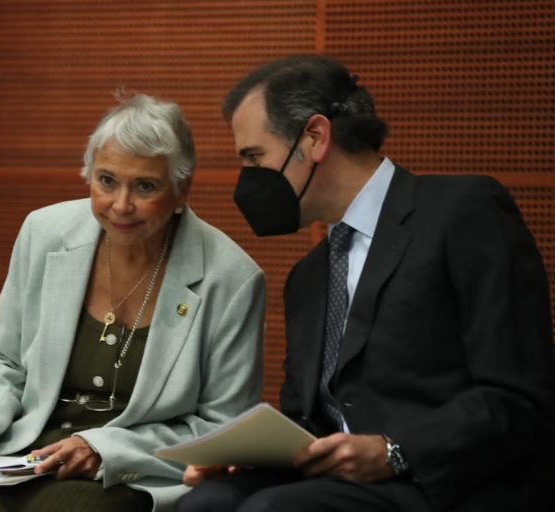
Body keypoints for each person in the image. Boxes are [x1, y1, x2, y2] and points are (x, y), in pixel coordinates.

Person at [177, 55, 555, 512]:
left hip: (448, 483)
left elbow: (516, 395)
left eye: (255, 157)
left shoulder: (462, 211)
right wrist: (244, 458)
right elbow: (308, 423)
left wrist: (397, 451)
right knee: (205, 502)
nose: (249, 179)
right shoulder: (308, 277)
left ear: (315, 138)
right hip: (338, 485)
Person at [0, 93, 266, 512]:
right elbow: (5, 364)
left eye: (145, 186)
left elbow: (222, 428)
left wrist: (104, 448)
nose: (121, 205)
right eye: (107, 181)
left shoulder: (231, 278)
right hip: (27, 448)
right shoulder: (44, 232)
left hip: (133, 467)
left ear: (182, 191)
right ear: (89, 175)